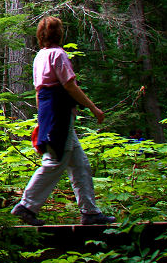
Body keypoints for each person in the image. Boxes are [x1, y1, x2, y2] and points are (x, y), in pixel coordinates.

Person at [10, 16, 116, 227]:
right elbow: (69, 86)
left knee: (80, 165)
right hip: (60, 114)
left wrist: (42, 118)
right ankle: (26, 206)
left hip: (50, 113)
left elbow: (39, 91)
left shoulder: (39, 56)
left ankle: (90, 212)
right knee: (55, 160)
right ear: (59, 34)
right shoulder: (59, 55)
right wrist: (94, 108)